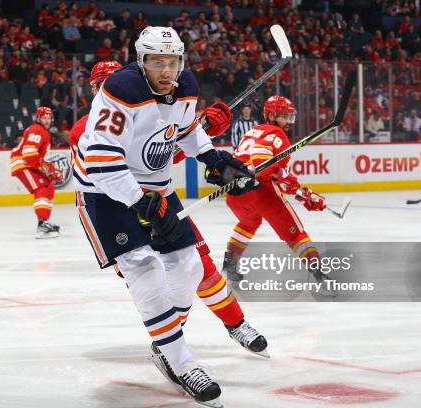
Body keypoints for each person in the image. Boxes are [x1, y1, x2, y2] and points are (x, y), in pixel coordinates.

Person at [73, 27, 256, 407]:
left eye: (171, 61)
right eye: (157, 61)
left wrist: (214, 159)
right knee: (144, 268)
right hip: (105, 194)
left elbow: (184, 130)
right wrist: (141, 203)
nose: (165, 70)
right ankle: (181, 361)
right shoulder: (121, 90)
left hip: (155, 188)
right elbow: (102, 163)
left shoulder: (185, 85)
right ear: (141, 61)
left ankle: (164, 344)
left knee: (189, 266)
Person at [222, 96, 328, 282]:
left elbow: (256, 164)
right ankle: (319, 273)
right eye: (284, 117)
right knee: (295, 233)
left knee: (248, 223)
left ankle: (230, 263)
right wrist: (304, 194)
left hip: (234, 192)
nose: (288, 122)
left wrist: (301, 193)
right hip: (259, 191)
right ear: (270, 115)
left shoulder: (254, 131)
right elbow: (264, 167)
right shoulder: (277, 134)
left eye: (290, 117)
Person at [10, 106, 63, 239]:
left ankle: (45, 220)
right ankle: (42, 224)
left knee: (48, 186)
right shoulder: (36, 130)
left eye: (49, 118)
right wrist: (49, 170)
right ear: (38, 118)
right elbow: (29, 155)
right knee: (42, 187)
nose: (47, 120)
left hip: (28, 163)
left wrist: (48, 170)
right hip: (22, 163)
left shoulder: (42, 131)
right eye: (44, 118)